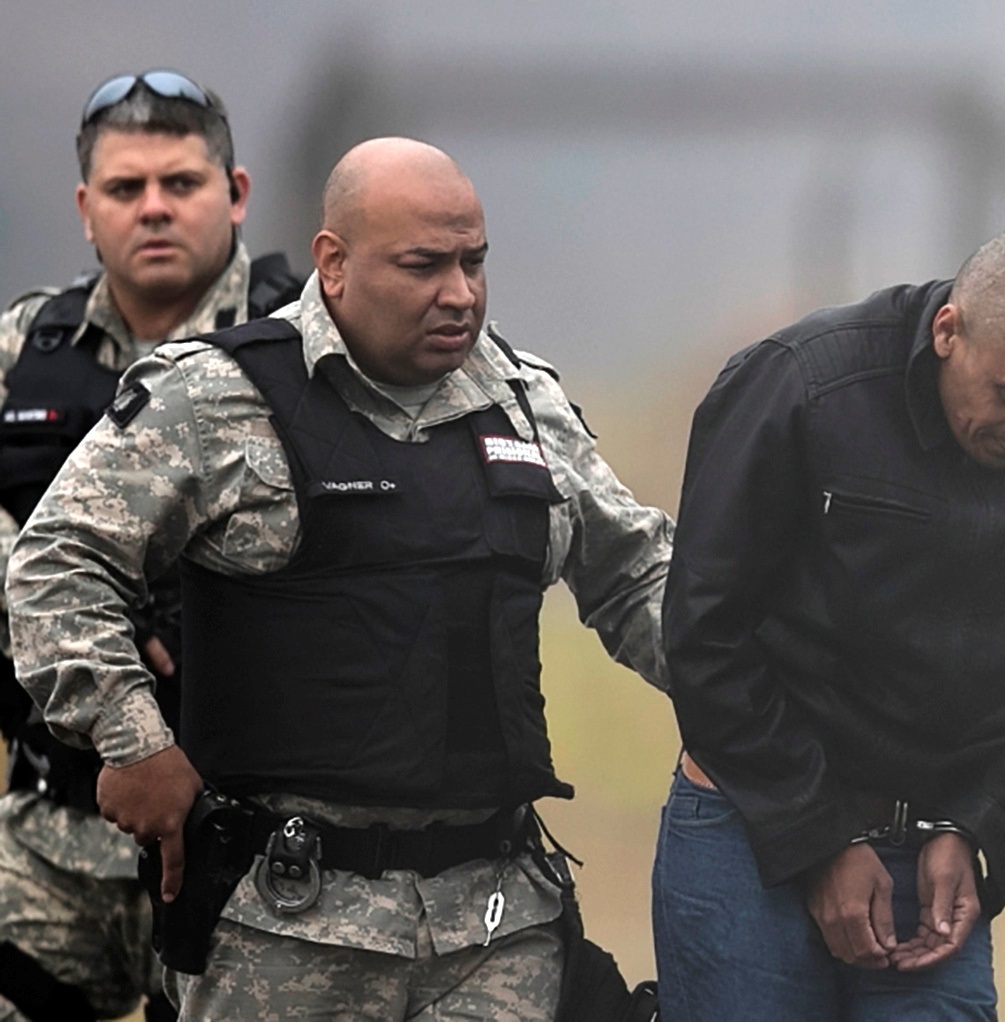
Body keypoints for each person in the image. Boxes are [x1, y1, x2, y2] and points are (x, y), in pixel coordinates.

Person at [6, 136, 672, 1020]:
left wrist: (761, 712)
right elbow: (56, 560)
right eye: (423, 265)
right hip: (283, 934)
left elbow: (637, 577)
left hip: (496, 929)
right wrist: (132, 739)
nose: (461, 294)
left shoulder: (523, 400)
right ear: (335, 262)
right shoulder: (215, 397)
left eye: (474, 262)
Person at [654, 226, 1005, 1020]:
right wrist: (817, 835)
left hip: (935, 856)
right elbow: (705, 632)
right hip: (748, 827)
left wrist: (983, 833)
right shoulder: (801, 387)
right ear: (948, 332)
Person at [0, 69, 300, 1022]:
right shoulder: (23, 348)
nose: (155, 209)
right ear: (88, 210)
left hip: (265, 845)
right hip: (58, 832)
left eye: (183, 184)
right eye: (127, 191)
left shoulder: (312, 344)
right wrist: (80, 620)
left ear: (237, 194)